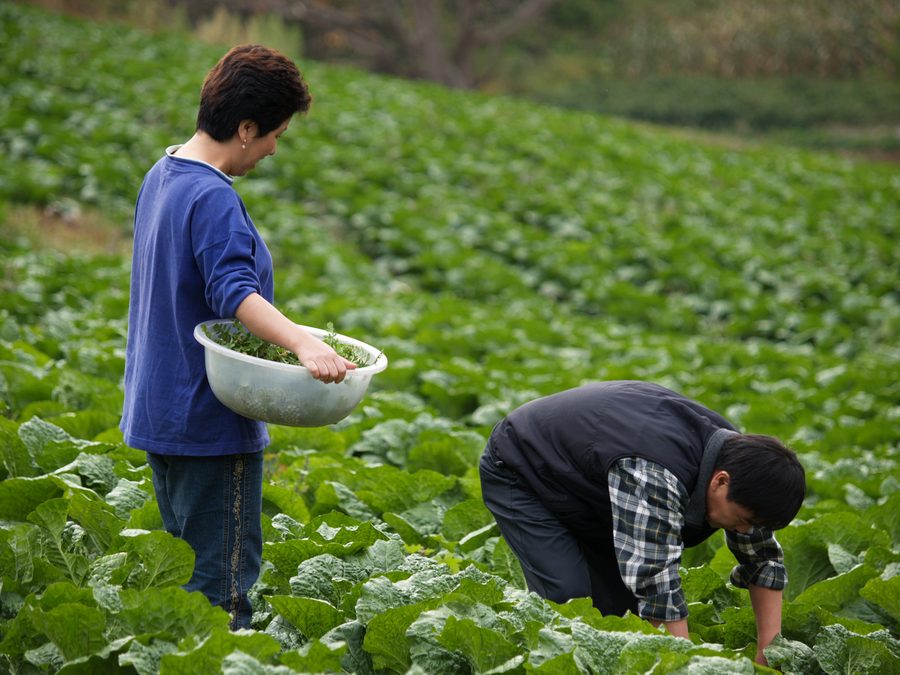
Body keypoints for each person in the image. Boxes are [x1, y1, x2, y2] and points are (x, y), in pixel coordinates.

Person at [120, 45, 357, 629]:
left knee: (185, 582)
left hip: (158, 410)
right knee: (219, 594)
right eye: (275, 133)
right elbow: (236, 294)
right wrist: (303, 343)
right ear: (246, 129)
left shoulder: (164, 173)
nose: (276, 147)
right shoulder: (213, 197)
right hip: (209, 423)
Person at [479, 380, 805, 666]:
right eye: (744, 521)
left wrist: (769, 652)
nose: (744, 531)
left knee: (621, 616)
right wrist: (685, 665)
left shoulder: (747, 468)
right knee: (571, 602)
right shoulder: (658, 472)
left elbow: (763, 560)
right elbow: (656, 579)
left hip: (586, 485)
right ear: (720, 482)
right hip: (522, 468)